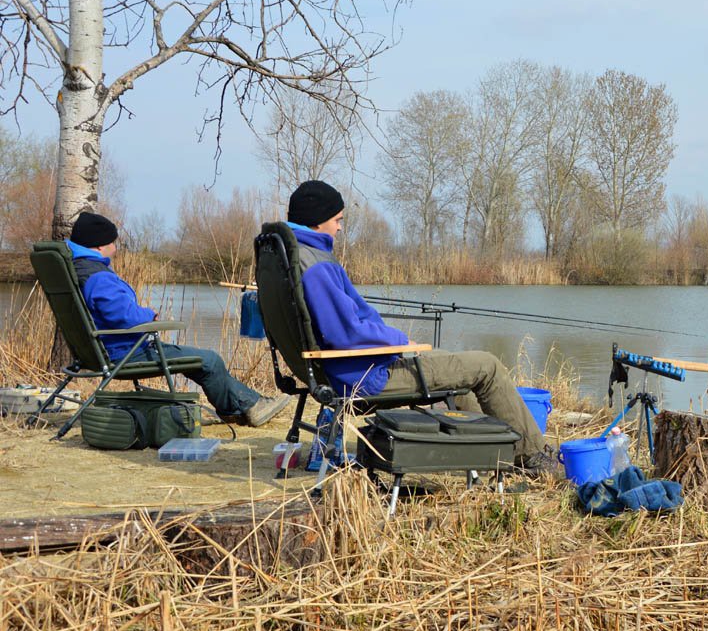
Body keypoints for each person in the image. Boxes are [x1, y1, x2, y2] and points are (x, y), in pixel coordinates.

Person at [285, 180, 560, 478]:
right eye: (337, 220)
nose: (340, 228)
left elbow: (341, 328)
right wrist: (399, 340)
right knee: (487, 366)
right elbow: (345, 333)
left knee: (459, 369)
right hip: (366, 377)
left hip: (348, 369)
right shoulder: (318, 267)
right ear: (317, 220)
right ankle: (532, 456)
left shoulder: (295, 255)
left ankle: (491, 453)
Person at [67, 212, 290, 427]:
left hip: (109, 350)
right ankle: (241, 408)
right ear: (98, 246)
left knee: (200, 363)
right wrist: (149, 315)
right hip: (125, 352)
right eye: (112, 243)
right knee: (210, 360)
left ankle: (249, 405)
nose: (115, 248)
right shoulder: (99, 277)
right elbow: (123, 316)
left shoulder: (79, 269)